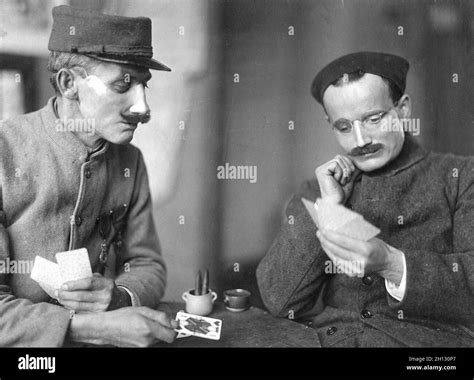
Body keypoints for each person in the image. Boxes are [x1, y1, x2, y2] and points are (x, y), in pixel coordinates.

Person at [256, 51, 474, 347]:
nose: (360, 141)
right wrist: (330, 207)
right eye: (344, 127)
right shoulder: (320, 188)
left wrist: (392, 264)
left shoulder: (461, 176)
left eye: (373, 119)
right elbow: (279, 301)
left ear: (404, 110)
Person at [0, 5, 178, 347]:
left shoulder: (131, 161)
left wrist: (121, 297)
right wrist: (92, 327)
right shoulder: (5, 152)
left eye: (144, 85)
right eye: (122, 85)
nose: (143, 109)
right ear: (69, 84)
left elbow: (147, 263)